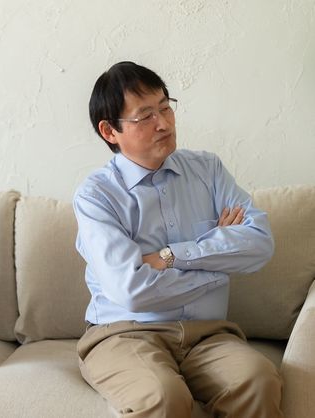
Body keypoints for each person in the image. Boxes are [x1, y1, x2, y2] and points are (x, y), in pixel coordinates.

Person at [74, 61, 283, 417]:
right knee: (162, 394)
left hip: (209, 335)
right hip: (124, 334)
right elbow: (133, 291)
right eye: (145, 116)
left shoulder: (208, 170)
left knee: (258, 379)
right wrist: (219, 262)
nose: (164, 123)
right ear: (110, 131)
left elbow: (261, 244)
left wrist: (170, 256)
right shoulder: (96, 196)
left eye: (165, 107)